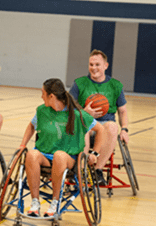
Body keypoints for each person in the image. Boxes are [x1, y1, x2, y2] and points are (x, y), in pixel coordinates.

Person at [19, 78, 106, 217]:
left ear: (51, 96)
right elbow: (31, 126)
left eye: (43, 93)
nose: (41, 97)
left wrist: (94, 153)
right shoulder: (42, 111)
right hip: (45, 156)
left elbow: (101, 129)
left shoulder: (77, 114)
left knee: (59, 155)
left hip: (68, 159)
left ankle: (55, 202)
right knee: (31, 154)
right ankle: (35, 203)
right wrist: (23, 144)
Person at [69, 49, 129, 186]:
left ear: (105, 66)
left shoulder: (116, 85)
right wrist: (84, 112)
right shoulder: (79, 83)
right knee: (83, 127)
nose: (93, 68)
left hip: (105, 124)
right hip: (86, 122)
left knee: (113, 127)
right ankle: (81, 169)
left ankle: (97, 170)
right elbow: (69, 108)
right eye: (91, 64)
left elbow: (123, 111)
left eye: (97, 65)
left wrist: (124, 129)